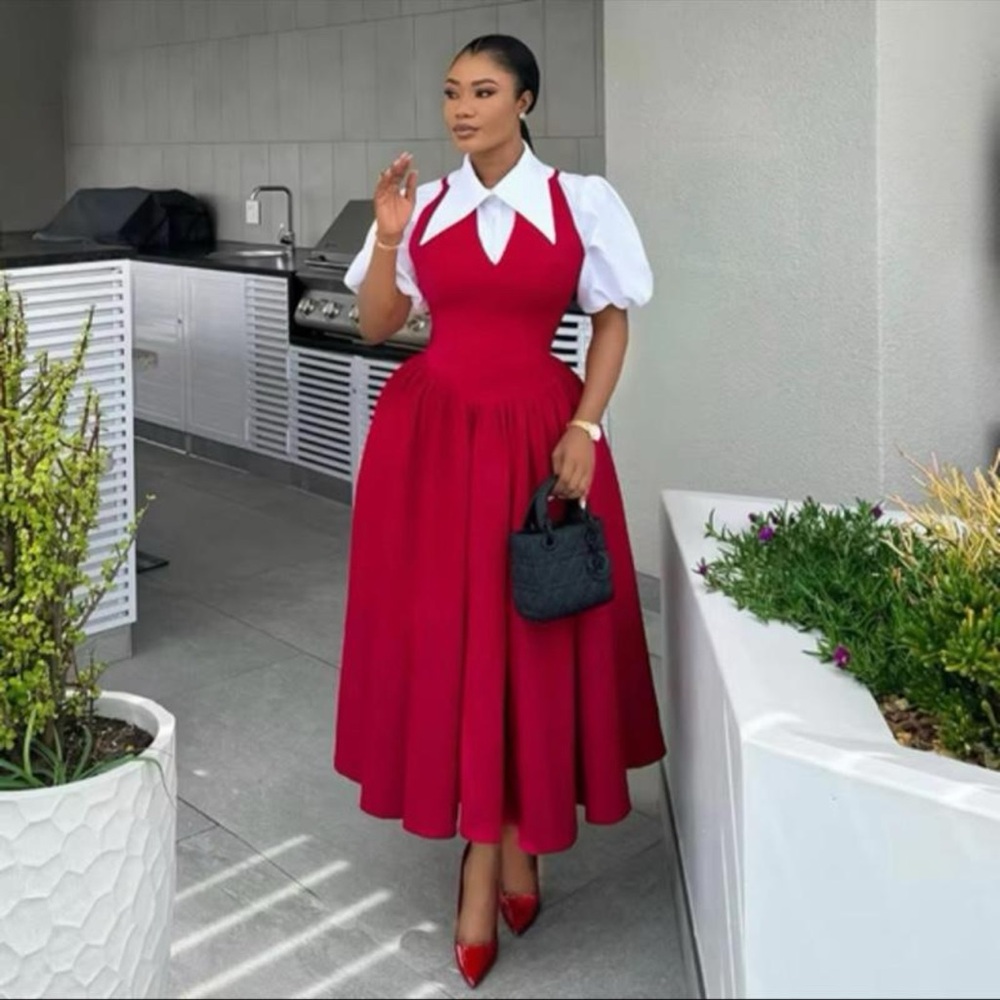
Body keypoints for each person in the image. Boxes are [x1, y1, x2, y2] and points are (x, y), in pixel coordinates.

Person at [333, 33, 666, 990]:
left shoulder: (581, 202)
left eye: (483, 90)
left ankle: (495, 852)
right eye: (450, 93)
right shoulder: (425, 205)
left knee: (532, 638)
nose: (461, 107)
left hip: (536, 437)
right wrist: (389, 234)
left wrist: (587, 428)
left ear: (526, 100)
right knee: (451, 639)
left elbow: (612, 320)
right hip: (429, 447)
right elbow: (378, 325)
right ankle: (498, 850)